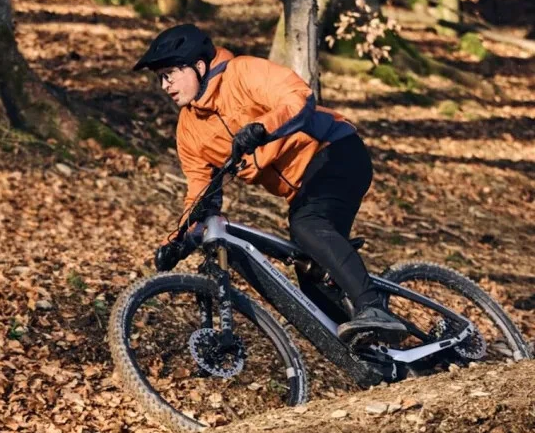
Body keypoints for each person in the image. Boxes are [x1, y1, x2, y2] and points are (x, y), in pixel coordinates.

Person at [133, 23, 406, 342]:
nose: (164, 85)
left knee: (307, 226)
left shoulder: (242, 73)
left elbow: (298, 97)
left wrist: (262, 127)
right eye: (159, 79)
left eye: (169, 75)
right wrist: (179, 240)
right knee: (309, 277)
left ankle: (374, 308)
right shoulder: (189, 129)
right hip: (302, 188)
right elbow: (199, 189)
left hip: (334, 151)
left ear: (198, 65)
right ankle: (375, 353)